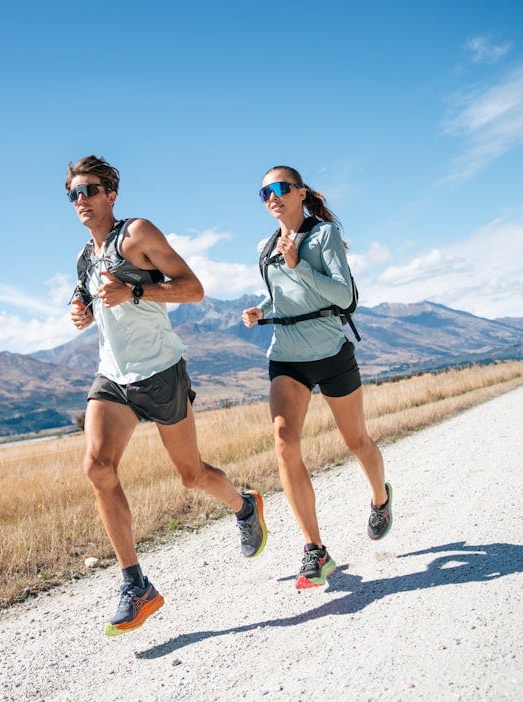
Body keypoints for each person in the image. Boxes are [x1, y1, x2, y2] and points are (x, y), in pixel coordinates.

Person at [65, 155, 268, 636]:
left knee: (191, 475)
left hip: (160, 372)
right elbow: (90, 293)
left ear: (111, 194)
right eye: (73, 194)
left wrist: (135, 295)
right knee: (97, 467)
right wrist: (82, 309)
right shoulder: (84, 257)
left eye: (90, 190)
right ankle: (136, 585)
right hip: (114, 377)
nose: (82, 201)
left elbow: (193, 289)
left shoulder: (136, 234)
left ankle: (244, 506)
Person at [240, 165, 392, 590]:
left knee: (356, 440)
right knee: (285, 443)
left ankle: (380, 498)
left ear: (300, 192)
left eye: (280, 188)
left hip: (330, 352)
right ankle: (315, 549)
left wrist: (297, 263)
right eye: (264, 192)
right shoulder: (264, 245)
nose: (272, 196)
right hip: (286, 357)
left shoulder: (323, 236)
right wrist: (260, 309)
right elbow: (283, 295)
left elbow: (345, 296)